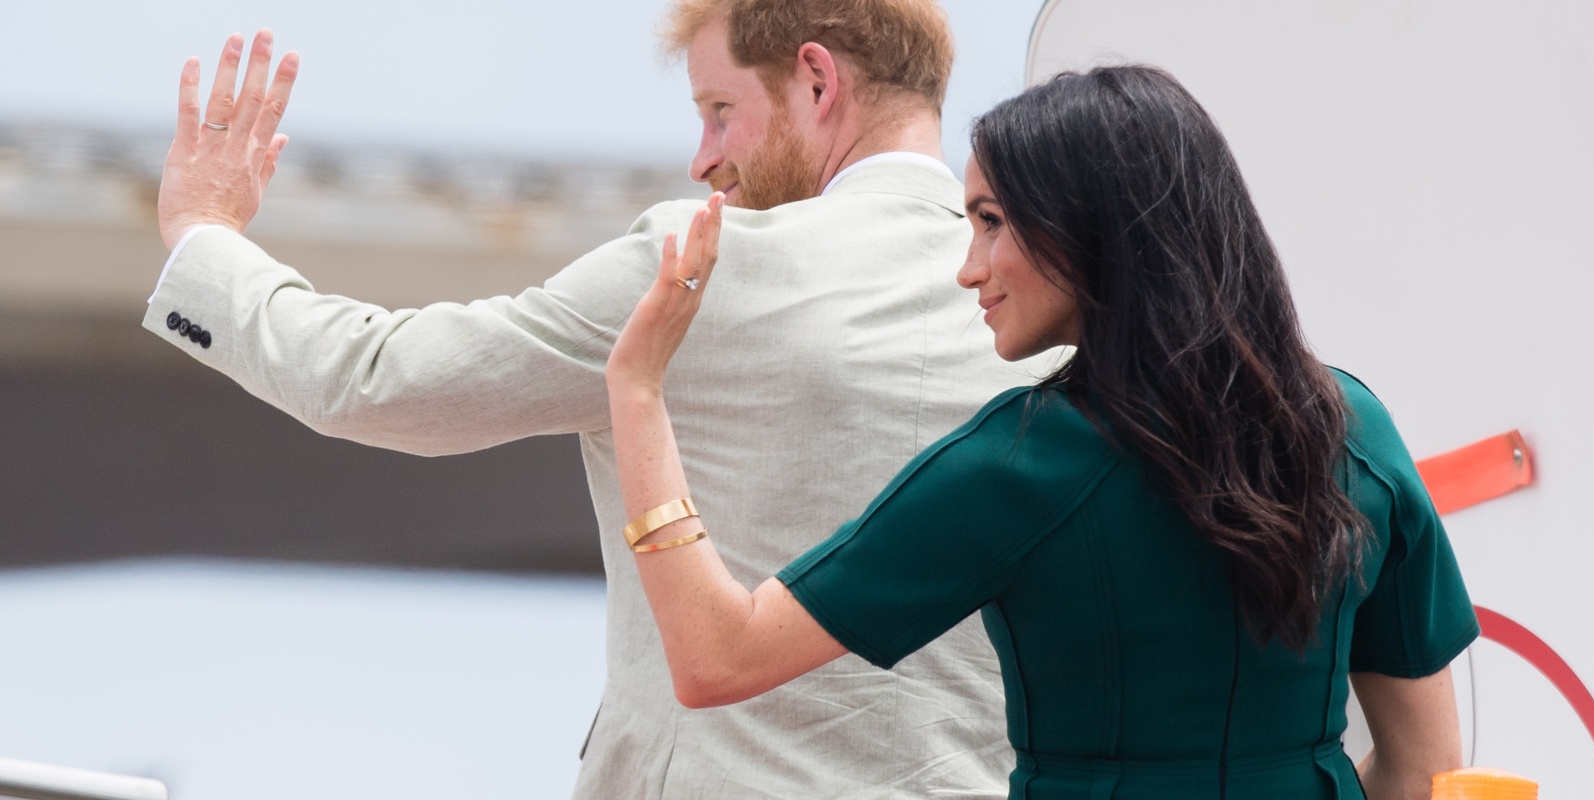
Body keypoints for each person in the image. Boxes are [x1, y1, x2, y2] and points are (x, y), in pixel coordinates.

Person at [146, 2, 1058, 797]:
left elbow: (378, 379)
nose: (703, 160)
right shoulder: (1049, 319)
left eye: (718, 111)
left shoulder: (702, 267)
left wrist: (204, 237)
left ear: (817, 81)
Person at [604, 66, 1478, 800]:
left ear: (1090, 226)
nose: (967, 268)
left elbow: (716, 658)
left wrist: (638, 389)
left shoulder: (1018, 466)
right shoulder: (1351, 428)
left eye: (990, 221)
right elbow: (1426, 768)